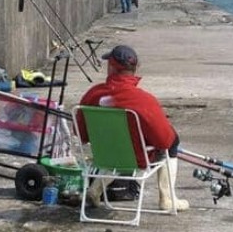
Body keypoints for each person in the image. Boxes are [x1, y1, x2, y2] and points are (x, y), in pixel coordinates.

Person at [76, 45, 190, 211]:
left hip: (104, 154)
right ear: (135, 69)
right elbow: (164, 140)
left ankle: (95, 190)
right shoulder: (143, 100)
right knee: (173, 140)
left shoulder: (92, 94)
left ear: (111, 67)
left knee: (113, 143)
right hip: (135, 158)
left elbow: (80, 133)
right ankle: (167, 198)